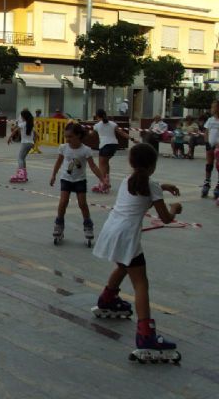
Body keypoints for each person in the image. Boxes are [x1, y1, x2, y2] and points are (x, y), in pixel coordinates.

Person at [92, 143, 182, 363]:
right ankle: (145, 335)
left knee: (123, 266)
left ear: (132, 163)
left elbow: (144, 190)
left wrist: (163, 186)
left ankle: (107, 299)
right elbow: (166, 218)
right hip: (127, 236)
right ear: (153, 165)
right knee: (141, 283)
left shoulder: (126, 181)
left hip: (112, 229)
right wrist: (175, 208)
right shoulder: (151, 185)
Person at [50, 122, 107, 246]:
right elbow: (58, 162)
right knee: (63, 202)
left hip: (80, 180)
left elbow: (93, 166)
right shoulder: (63, 148)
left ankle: (88, 226)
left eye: (70, 136)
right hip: (66, 179)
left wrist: (102, 179)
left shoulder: (85, 150)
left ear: (79, 136)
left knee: (82, 204)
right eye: (66, 137)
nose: (68, 139)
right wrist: (53, 175)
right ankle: (59, 224)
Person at [91, 109, 135, 193]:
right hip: (114, 145)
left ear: (97, 116)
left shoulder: (97, 125)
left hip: (104, 145)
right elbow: (121, 133)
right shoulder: (112, 124)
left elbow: (91, 135)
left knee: (102, 165)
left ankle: (103, 184)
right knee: (106, 164)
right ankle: (107, 182)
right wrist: (132, 139)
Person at [7, 109, 35, 183]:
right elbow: (36, 134)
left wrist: (9, 138)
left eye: (21, 116)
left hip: (25, 143)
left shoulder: (23, 124)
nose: (21, 118)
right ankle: (24, 175)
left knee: (19, 158)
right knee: (23, 158)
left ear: (24, 117)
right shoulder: (30, 124)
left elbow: (15, 130)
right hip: (30, 143)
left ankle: (21, 175)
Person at [201, 100, 219, 198]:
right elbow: (206, 132)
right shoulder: (210, 120)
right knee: (209, 165)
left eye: (213, 107)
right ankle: (207, 182)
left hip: (218, 147)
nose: (211, 109)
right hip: (210, 146)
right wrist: (207, 143)